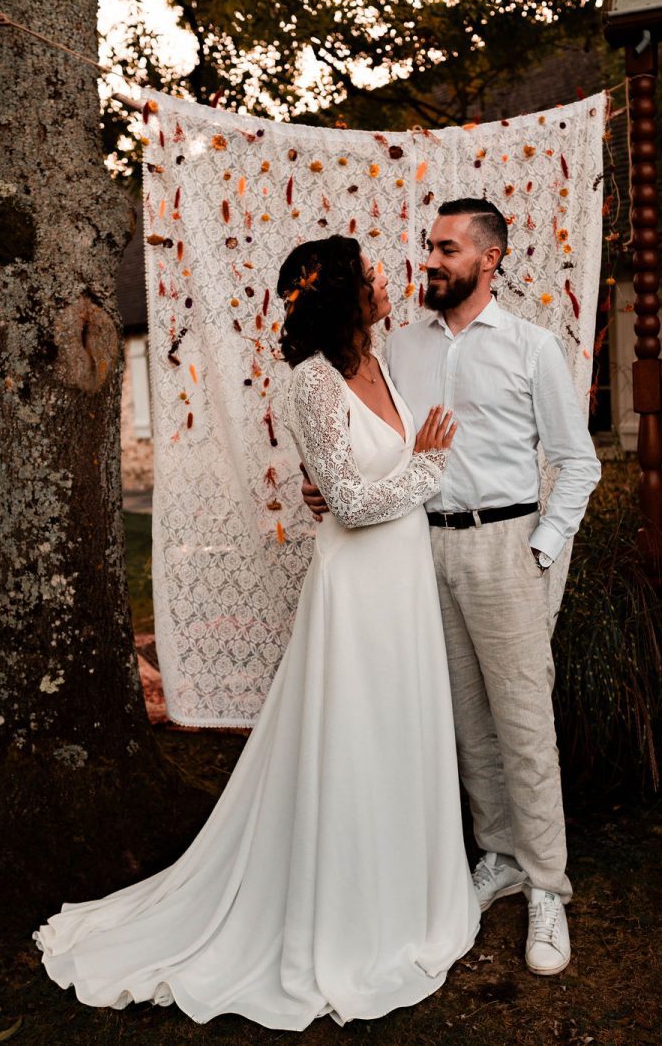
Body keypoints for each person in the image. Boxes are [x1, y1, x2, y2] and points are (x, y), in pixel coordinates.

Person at [34, 235, 480, 1029]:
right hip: (356, 592)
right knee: (355, 739)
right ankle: (345, 916)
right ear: (341, 293)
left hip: (402, 581)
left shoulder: (381, 365)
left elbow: (361, 480)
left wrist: (399, 473)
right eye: (371, 275)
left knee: (400, 731)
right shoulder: (310, 383)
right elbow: (348, 500)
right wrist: (427, 469)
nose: (386, 282)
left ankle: (408, 897)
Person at [303, 199, 601, 977]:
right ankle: (498, 855)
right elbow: (373, 444)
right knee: (466, 722)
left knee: (524, 723)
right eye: (428, 246)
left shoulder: (534, 348)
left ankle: (547, 887)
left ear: (488, 258)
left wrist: (539, 549)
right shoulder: (397, 347)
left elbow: (578, 462)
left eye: (445, 249)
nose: (428, 261)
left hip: (505, 546)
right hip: (413, 554)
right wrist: (329, 488)